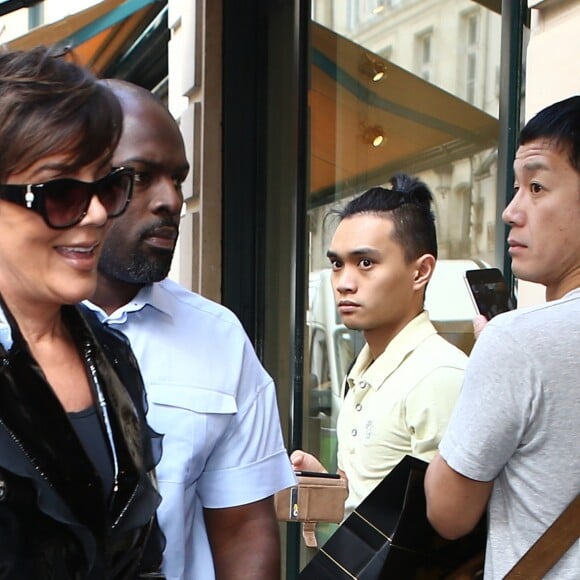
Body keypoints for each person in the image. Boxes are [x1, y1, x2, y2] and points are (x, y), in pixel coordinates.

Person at [84, 79, 296, 580]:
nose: (170, 201)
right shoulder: (17, 328)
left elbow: (245, 529)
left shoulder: (218, 337)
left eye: (178, 179)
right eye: (140, 175)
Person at [0, 47, 164, 578]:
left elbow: (141, 557)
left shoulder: (112, 351)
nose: (96, 214)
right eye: (62, 192)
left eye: (109, 186)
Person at [424, 96, 580, 579]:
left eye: (537, 186)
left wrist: (490, 366)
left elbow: (448, 514)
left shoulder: (516, 342)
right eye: (517, 187)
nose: (511, 211)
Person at [292, 174, 468, 516]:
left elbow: (441, 531)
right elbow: (370, 502)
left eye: (366, 263)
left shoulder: (439, 375)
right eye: (337, 264)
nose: (344, 282)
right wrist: (330, 487)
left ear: (421, 272)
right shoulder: (365, 366)